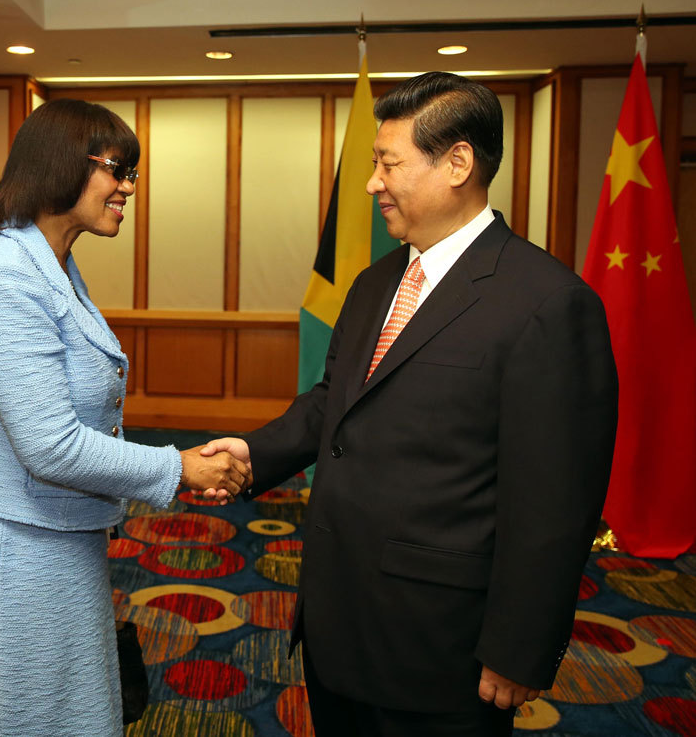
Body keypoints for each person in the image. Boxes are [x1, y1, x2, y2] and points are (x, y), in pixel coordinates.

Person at [200, 72, 618, 736]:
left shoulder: (547, 303)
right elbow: (333, 405)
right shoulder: (374, 284)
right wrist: (254, 453)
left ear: (457, 163)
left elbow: (555, 504)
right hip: (338, 621)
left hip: (440, 646)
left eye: (388, 163)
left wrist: (520, 649)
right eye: (372, 164)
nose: (373, 184)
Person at [0, 98, 247, 737]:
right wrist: (180, 467)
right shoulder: (4, 276)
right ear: (61, 165)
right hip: (16, 544)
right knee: (23, 716)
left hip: (57, 532)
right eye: (118, 169)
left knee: (69, 709)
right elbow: (50, 446)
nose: (128, 188)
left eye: (132, 173)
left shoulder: (50, 263)